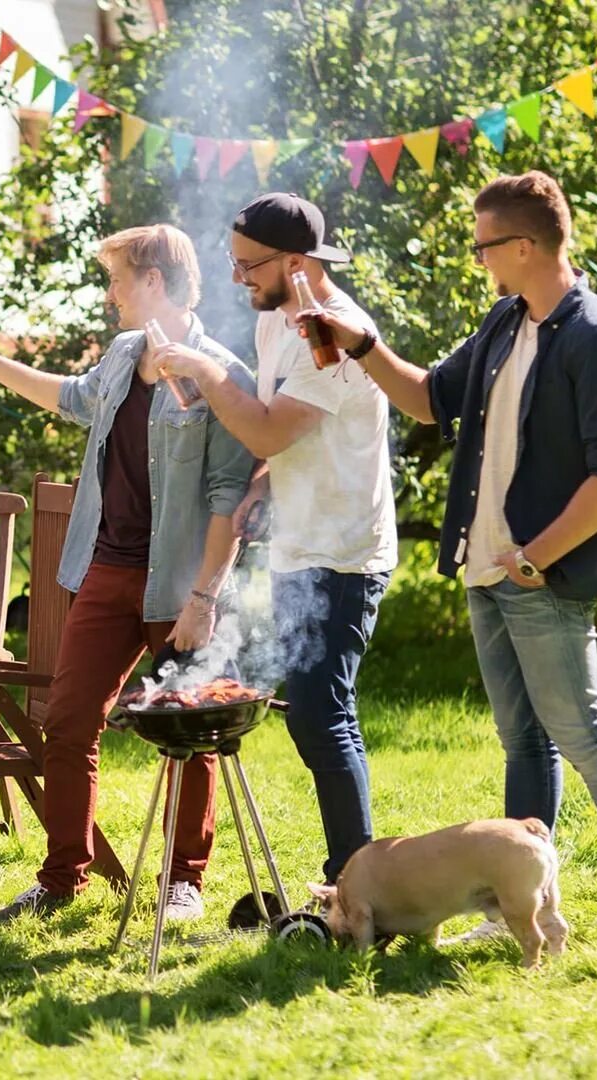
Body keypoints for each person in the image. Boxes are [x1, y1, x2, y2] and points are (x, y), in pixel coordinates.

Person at [298, 171, 597, 950]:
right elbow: (428, 399)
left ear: (527, 244)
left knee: (584, 736)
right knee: (525, 743)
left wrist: (535, 558)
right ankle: (521, 914)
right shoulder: (506, 321)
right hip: (487, 573)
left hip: (543, 575)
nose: (478, 260)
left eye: (483, 246)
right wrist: (359, 342)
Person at [0, 225, 258, 924]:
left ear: (152, 280)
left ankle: (184, 883)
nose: (110, 293)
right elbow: (71, 398)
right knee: (67, 723)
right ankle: (61, 881)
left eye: (118, 279)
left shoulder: (222, 376)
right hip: (107, 571)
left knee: (189, 729)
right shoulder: (123, 354)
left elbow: (228, 500)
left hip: (180, 585)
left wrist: (204, 598)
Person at [154, 193, 397, 886]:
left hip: (345, 550)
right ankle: (352, 878)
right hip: (298, 541)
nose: (236, 279)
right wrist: (263, 482)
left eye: (247, 265)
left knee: (323, 716)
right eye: (231, 263)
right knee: (312, 718)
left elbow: (260, 426)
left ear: (295, 261)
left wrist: (203, 371)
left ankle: (356, 883)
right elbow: (277, 431)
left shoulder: (335, 335)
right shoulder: (276, 319)